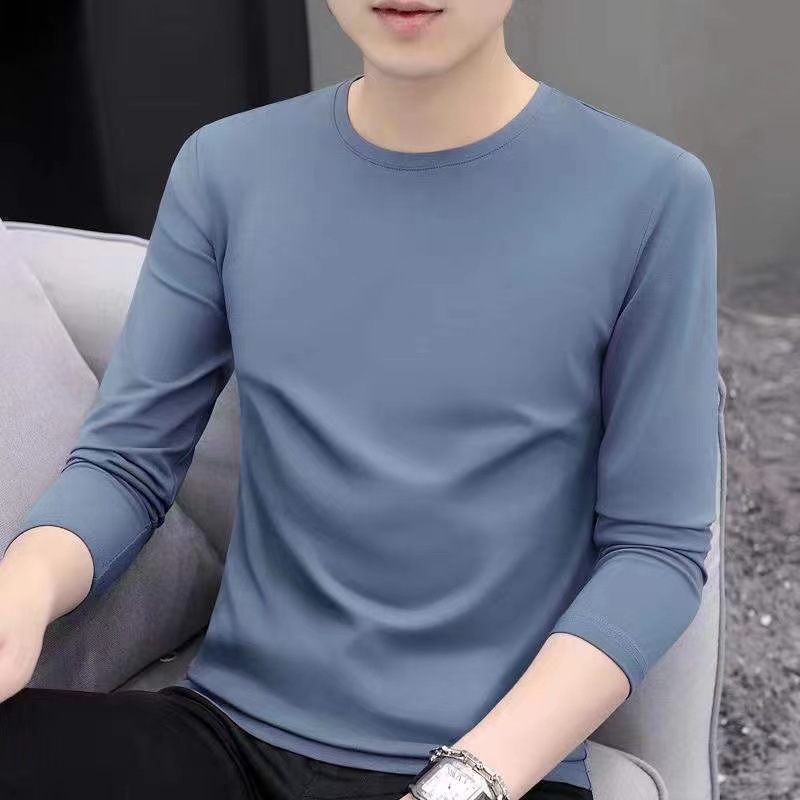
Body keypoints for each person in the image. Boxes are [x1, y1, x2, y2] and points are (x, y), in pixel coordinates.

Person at [0, 1, 720, 799]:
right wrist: (21, 591)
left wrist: (465, 782)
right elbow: (127, 463)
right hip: (228, 738)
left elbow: (655, 552)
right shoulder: (227, 167)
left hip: (491, 771)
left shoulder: (650, 195)